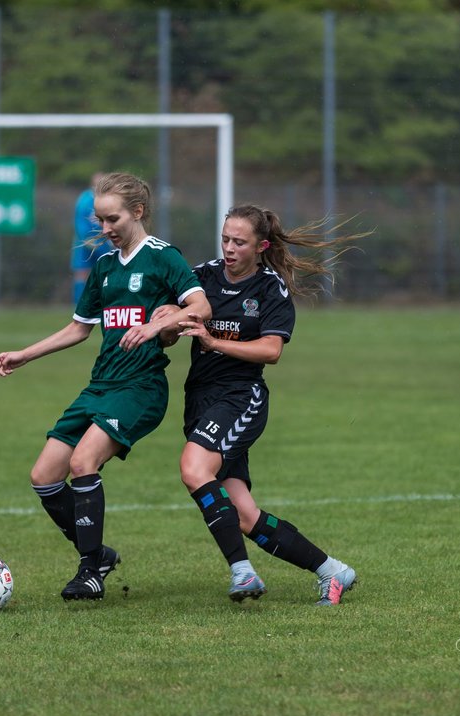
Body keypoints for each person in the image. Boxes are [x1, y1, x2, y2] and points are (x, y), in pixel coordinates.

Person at [0, 172, 211, 601]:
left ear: (138, 212)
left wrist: (154, 326)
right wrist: (23, 354)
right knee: (44, 477)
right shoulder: (105, 266)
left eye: (112, 219)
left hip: (140, 387)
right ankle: (99, 554)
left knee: (82, 462)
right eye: (100, 220)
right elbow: (78, 330)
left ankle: (90, 571)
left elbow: (200, 306)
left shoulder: (164, 257)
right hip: (100, 386)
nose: (105, 229)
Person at [154, 204, 362, 605]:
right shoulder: (202, 277)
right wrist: (166, 324)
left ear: (261, 246)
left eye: (239, 242)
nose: (229, 248)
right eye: (225, 239)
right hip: (200, 397)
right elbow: (174, 324)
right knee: (245, 515)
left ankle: (242, 571)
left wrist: (214, 342)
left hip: (240, 396)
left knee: (193, 468)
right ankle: (333, 571)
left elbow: (271, 350)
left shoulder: (270, 288)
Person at [70, 173, 112, 304]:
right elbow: (80, 222)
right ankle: (80, 304)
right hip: (85, 243)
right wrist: (88, 240)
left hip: (104, 242)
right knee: (82, 273)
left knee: (106, 272)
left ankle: (104, 302)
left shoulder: (109, 199)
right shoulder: (85, 199)